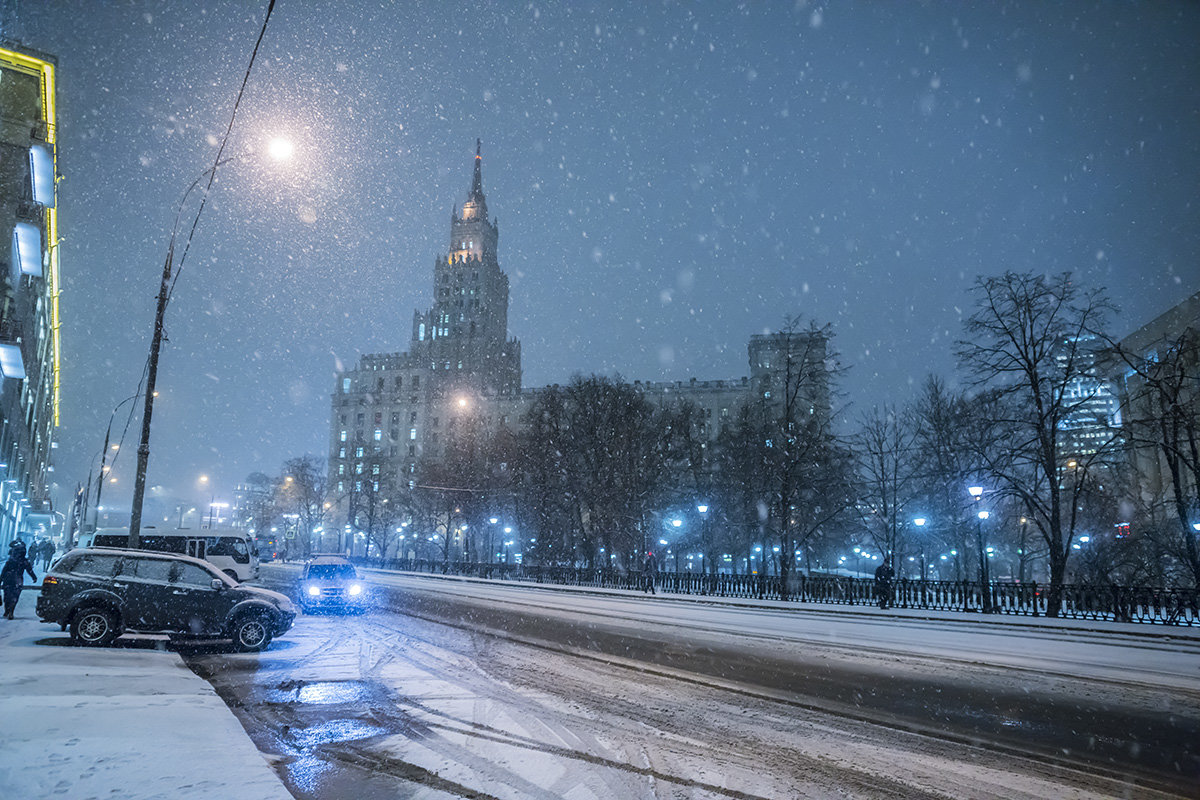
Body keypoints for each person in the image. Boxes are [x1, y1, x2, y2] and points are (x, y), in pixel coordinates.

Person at [2, 539, 38, 619]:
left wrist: (1, 579)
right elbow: (29, 570)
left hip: (8, 579)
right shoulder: (24, 561)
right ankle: (11, 611)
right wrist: (34, 578)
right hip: (18, 580)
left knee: (7, 596)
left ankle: (7, 610)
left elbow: (4, 570)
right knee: (15, 596)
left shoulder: (11, 561)